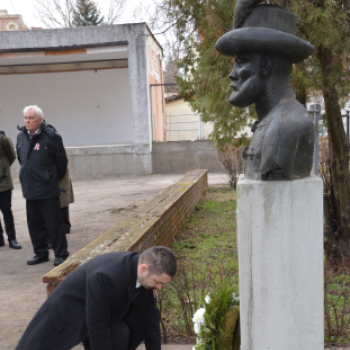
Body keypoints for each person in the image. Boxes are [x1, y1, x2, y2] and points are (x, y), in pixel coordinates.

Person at [215, 0, 315, 181]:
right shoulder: (275, 120)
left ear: (265, 65)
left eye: (240, 63)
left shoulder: (285, 126)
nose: (232, 74)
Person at [15, 246, 177, 350]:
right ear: (144, 269)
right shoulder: (106, 276)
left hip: (98, 312)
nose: (159, 287)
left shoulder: (147, 278)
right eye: (158, 282)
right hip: (66, 314)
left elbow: (150, 317)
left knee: (123, 332)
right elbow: (97, 327)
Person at [16, 105, 69, 266]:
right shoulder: (21, 137)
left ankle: (61, 253)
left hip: (47, 189)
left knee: (54, 224)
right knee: (34, 224)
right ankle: (40, 253)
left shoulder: (52, 137)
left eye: (31, 118)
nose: (27, 121)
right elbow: (21, 160)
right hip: (30, 189)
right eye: (25, 118)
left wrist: (49, 178)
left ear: (39, 119)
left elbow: (61, 164)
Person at [0, 130, 21, 249]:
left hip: (3, 182)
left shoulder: (3, 138)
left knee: (6, 210)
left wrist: (3, 170)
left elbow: (11, 156)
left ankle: (12, 238)